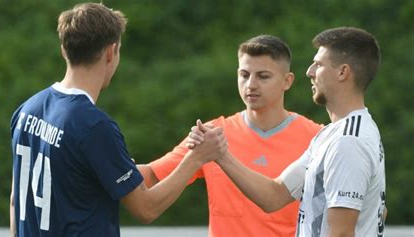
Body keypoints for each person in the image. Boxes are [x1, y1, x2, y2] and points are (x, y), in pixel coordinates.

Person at [9, 3, 226, 237]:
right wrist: (197, 158)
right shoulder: (93, 127)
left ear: (64, 49)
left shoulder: (26, 110)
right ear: (111, 52)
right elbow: (146, 208)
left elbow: (16, 202)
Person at [189, 27, 386, 236]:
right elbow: (275, 195)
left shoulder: (348, 141)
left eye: (318, 65)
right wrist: (220, 154)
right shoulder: (331, 135)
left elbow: (341, 233)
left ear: (342, 72)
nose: (309, 72)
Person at [138, 35, 322, 237]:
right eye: (244, 75)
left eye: (263, 76)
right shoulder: (213, 134)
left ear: (287, 81)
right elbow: (152, 175)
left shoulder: (317, 137)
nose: (251, 84)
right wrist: (106, 165)